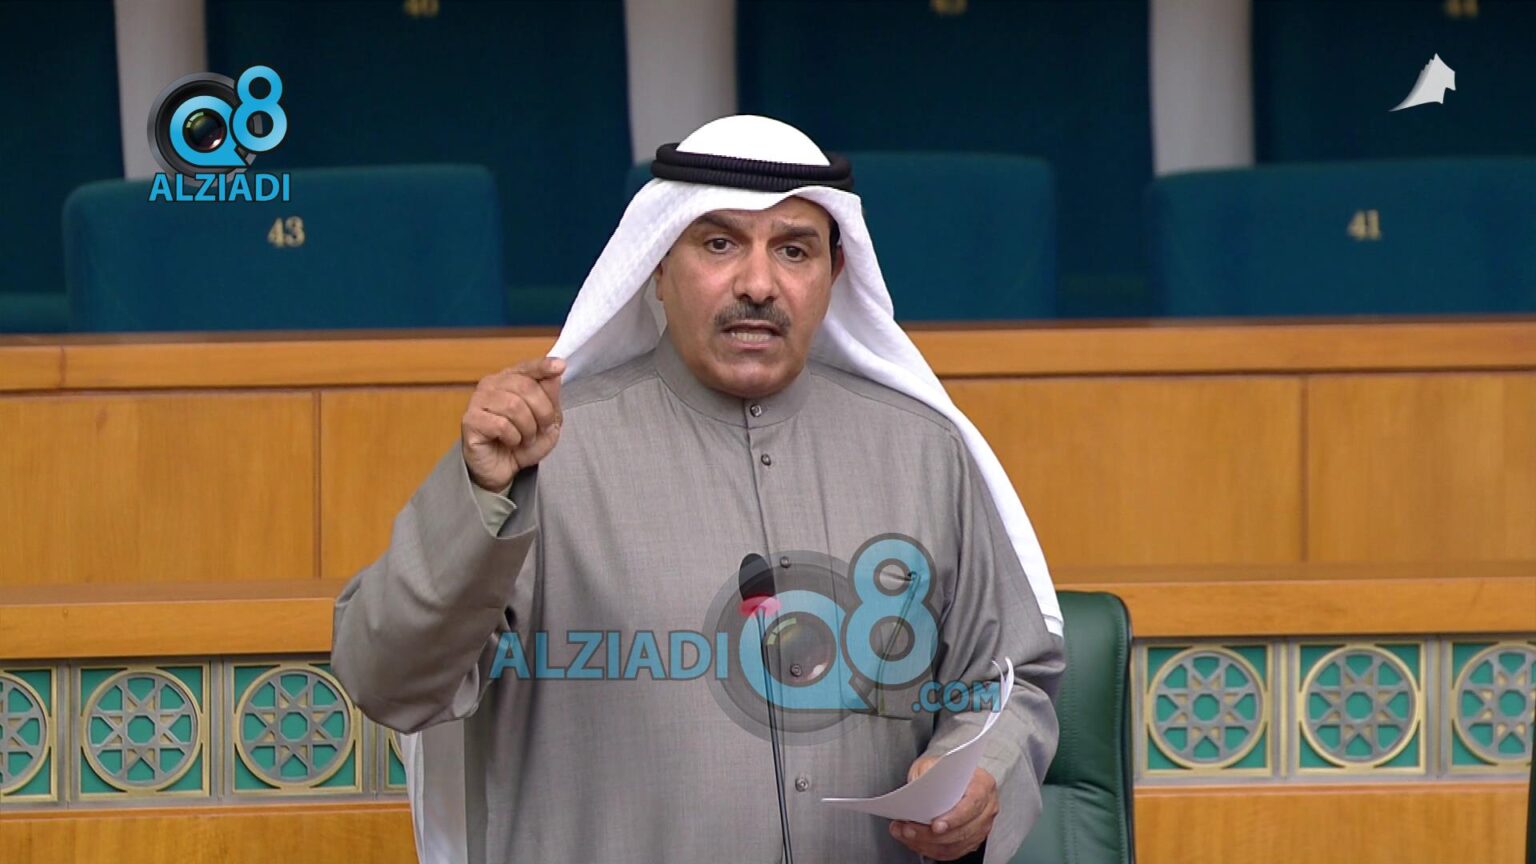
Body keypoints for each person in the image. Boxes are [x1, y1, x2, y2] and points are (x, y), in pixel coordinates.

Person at [332, 115, 1064, 864]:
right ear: (657, 264)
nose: (758, 284)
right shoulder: (546, 455)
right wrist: (479, 498)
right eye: (719, 244)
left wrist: (981, 771)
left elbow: (1010, 678)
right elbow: (386, 681)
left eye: (793, 250)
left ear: (834, 273)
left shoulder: (922, 454)